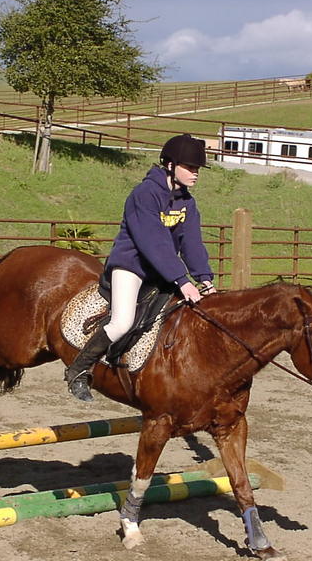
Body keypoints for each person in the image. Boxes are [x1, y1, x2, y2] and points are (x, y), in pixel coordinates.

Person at [65, 133, 217, 402]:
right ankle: (78, 370)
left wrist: (204, 279)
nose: (195, 173)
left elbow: (192, 243)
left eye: (197, 168)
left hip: (161, 272)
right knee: (122, 321)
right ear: (170, 165)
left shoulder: (187, 202)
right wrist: (182, 280)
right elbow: (153, 241)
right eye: (190, 167)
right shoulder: (144, 194)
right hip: (131, 266)